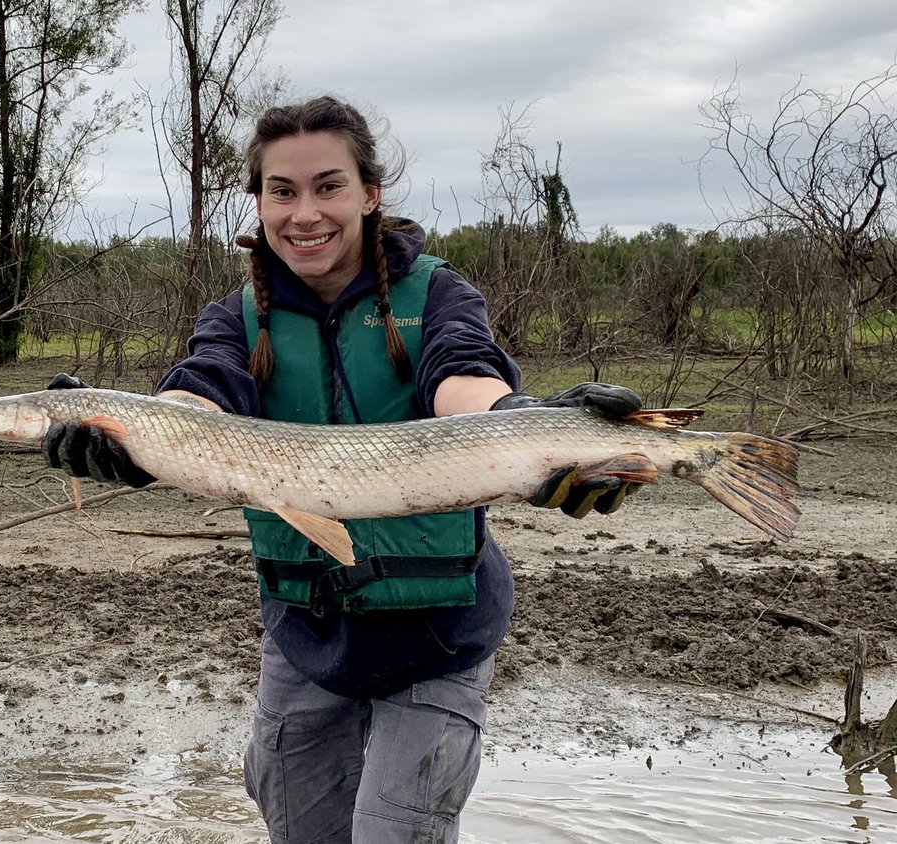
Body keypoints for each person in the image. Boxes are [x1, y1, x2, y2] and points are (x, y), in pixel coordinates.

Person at [44, 96, 643, 843]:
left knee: (396, 832)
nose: (304, 214)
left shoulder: (438, 296)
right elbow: (202, 390)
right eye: (282, 191)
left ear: (369, 193)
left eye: (328, 186)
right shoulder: (237, 318)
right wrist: (131, 434)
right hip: (307, 629)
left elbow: (464, 377)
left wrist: (526, 424)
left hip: (439, 631)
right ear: (258, 200)